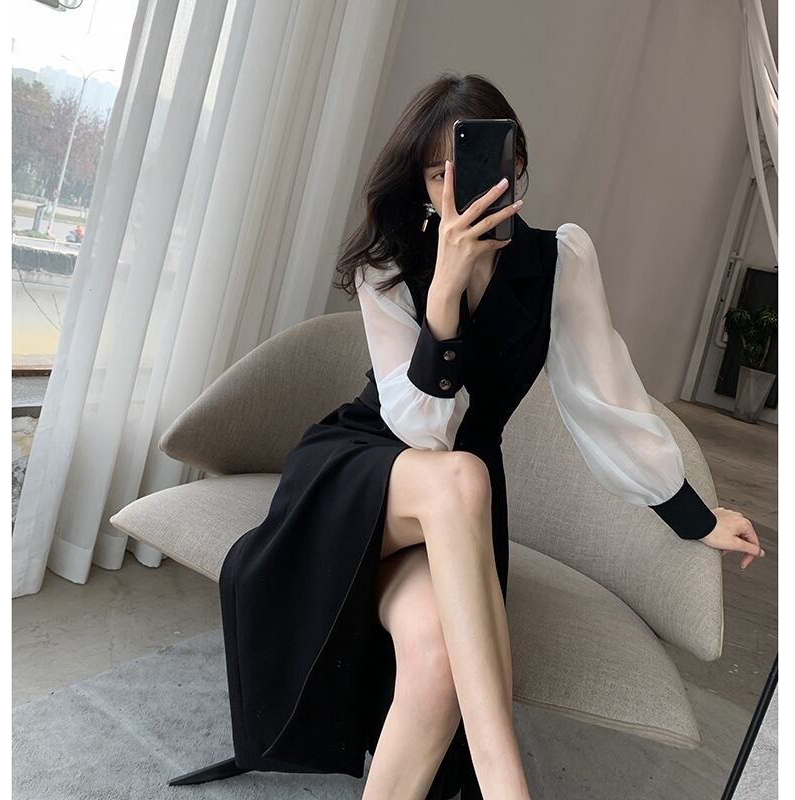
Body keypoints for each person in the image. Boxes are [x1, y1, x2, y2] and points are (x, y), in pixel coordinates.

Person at [216, 72, 763, 800]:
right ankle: (508, 787)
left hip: (460, 508)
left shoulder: (559, 262)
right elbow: (419, 431)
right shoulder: (391, 264)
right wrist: (445, 291)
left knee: (439, 661)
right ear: (420, 185)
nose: (455, 188)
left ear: (515, 163)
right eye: (435, 173)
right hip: (362, 477)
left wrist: (692, 515)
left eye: (469, 166)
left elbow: (607, 400)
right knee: (461, 472)